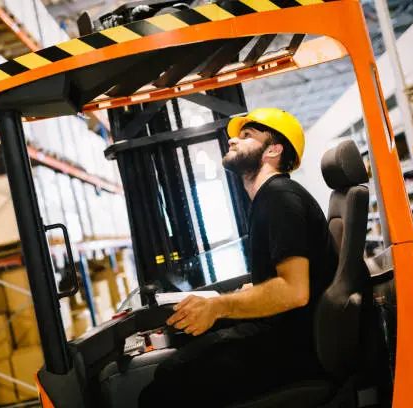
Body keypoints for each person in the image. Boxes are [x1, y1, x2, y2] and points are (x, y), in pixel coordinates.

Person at [138, 108, 339, 408]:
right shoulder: (269, 198)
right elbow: (283, 280)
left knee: (166, 383)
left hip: (290, 350)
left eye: (246, 136)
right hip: (288, 336)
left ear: (273, 149)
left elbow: (294, 291)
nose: (232, 140)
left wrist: (218, 306)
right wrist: (250, 291)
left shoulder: (280, 198)